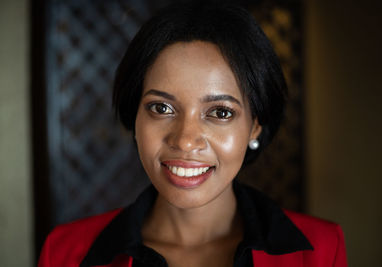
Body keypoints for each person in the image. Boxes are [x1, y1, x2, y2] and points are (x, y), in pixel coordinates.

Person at [38, 2, 347, 267]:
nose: (185, 140)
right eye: (161, 108)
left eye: (221, 112)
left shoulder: (321, 250)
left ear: (255, 126)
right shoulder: (65, 253)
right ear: (135, 118)